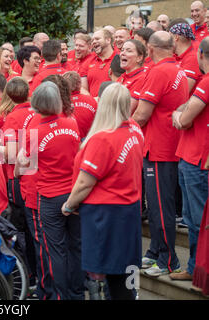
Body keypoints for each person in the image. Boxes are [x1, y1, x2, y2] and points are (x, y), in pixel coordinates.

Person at [62, 82, 143, 300]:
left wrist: (69, 205)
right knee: (126, 271)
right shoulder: (135, 129)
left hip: (106, 213)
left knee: (110, 273)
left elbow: (84, 183)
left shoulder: (103, 138)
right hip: (128, 208)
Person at [17, 81, 84, 300]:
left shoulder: (34, 131)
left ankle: (59, 296)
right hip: (73, 194)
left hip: (49, 196)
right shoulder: (72, 122)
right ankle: (76, 294)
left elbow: (23, 163)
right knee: (75, 246)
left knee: (54, 251)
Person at [132, 31, 188, 276]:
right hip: (169, 145)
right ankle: (155, 251)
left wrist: (124, 130)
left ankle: (168, 260)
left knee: (159, 206)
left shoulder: (158, 71)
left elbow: (142, 114)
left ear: (151, 49)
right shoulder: (177, 69)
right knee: (157, 205)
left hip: (159, 148)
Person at [171, 37, 209, 281]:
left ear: (201, 55)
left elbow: (183, 119)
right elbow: (188, 105)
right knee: (192, 217)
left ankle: (197, 269)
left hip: (197, 159)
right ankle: (195, 267)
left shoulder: (206, 81)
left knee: (196, 219)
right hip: (191, 157)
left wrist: (177, 114)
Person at [170, 22, 202, 95]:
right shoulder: (176, 55)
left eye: (170, 37)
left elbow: (183, 91)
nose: (168, 42)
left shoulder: (192, 58)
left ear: (176, 37)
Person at [63, 71, 98, 139]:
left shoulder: (61, 103)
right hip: (89, 139)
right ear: (79, 84)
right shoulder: (91, 100)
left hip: (71, 140)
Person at [82, 29, 116, 98]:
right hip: (93, 106)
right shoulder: (88, 62)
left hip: (112, 104)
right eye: (92, 40)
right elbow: (82, 88)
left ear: (108, 40)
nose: (94, 42)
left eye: (97, 39)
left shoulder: (120, 59)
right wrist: (93, 101)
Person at [117, 39, 147, 113]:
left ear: (139, 58)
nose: (122, 53)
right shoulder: (123, 76)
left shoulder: (141, 78)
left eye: (129, 51)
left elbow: (127, 110)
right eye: (122, 50)